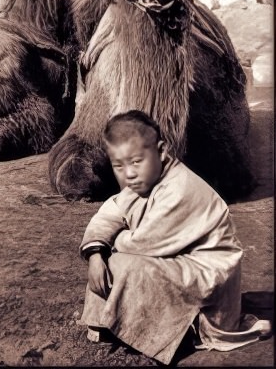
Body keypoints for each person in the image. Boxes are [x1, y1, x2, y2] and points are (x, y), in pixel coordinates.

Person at [79, 110, 271, 364]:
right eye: (118, 165)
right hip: (179, 261)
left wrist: (109, 245)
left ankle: (181, 330)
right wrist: (95, 253)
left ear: (161, 150)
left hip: (208, 275)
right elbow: (111, 211)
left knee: (121, 263)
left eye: (136, 161)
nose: (129, 173)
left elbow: (143, 244)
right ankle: (114, 323)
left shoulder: (180, 188)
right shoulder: (144, 181)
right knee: (109, 261)